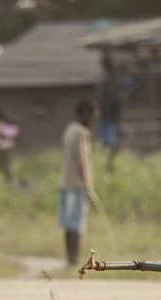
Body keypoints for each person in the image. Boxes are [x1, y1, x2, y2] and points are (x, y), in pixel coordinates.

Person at [59, 100, 97, 267]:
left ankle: (70, 257)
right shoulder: (82, 132)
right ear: (85, 114)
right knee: (76, 222)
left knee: (68, 223)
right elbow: (82, 160)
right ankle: (74, 259)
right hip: (77, 185)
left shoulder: (69, 129)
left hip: (65, 183)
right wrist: (88, 184)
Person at [97, 52, 122, 173]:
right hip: (109, 118)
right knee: (111, 145)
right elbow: (114, 100)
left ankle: (109, 167)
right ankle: (109, 168)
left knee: (108, 144)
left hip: (105, 117)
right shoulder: (109, 80)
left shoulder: (104, 80)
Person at [0, 110, 20, 185]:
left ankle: (6, 180)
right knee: (7, 163)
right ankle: (9, 179)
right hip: (8, 146)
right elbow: (13, 135)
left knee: (3, 164)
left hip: (1, 146)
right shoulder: (4, 125)